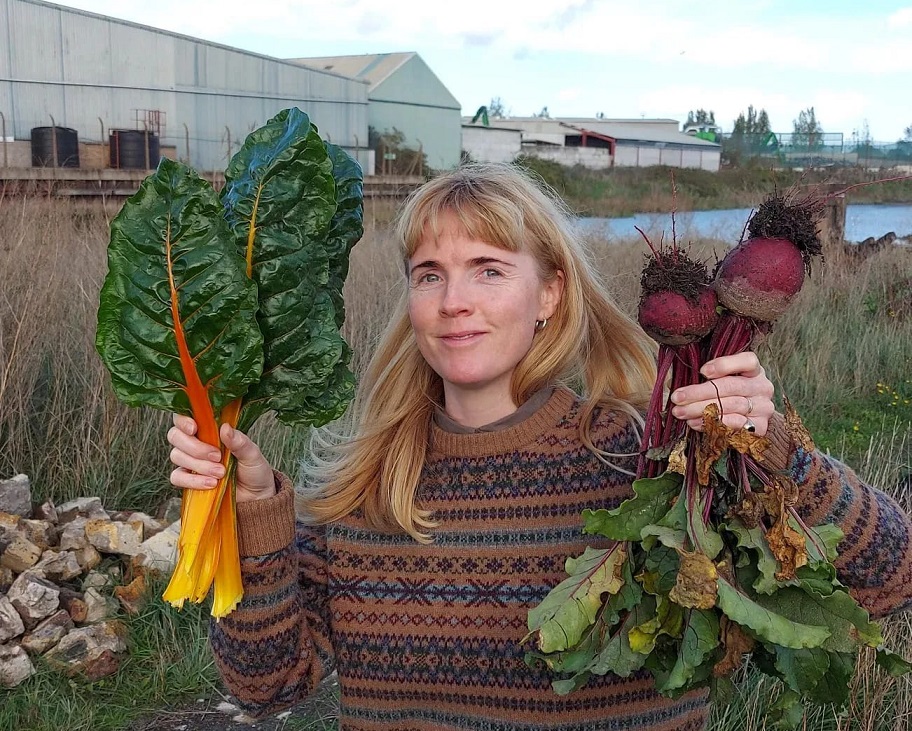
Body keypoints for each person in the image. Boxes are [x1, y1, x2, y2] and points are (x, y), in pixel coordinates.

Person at [166, 163, 912, 731]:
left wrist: (778, 454)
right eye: (431, 275)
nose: (454, 301)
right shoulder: (365, 485)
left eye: (489, 270)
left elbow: (892, 576)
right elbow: (266, 686)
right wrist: (254, 509)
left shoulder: (654, 463)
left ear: (550, 293)